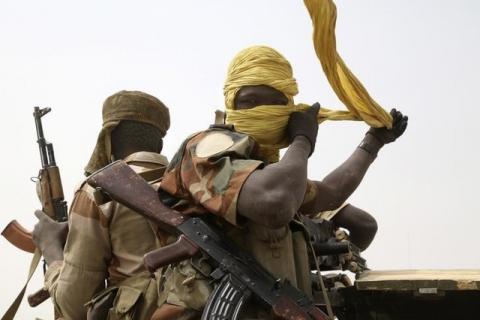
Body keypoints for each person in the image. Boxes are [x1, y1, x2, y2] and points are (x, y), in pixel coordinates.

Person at [155, 46, 408, 319]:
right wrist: (302, 141)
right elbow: (275, 205)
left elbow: (329, 194)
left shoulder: (273, 175)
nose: (261, 112)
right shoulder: (207, 148)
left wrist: (373, 143)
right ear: (230, 104)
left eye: (275, 104)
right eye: (249, 103)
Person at [32, 90, 171, 320]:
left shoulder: (99, 192)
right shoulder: (192, 184)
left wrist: (51, 250)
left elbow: (73, 305)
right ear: (159, 143)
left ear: (108, 138)